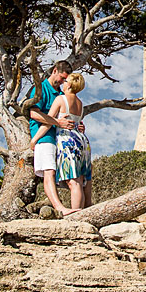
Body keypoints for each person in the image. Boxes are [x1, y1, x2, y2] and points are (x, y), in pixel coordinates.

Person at [28, 60, 83, 216]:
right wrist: (56, 122)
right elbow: (34, 114)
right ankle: (59, 208)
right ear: (54, 71)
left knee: (72, 177)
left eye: (65, 80)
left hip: (62, 137)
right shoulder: (41, 89)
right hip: (44, 135)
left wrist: (79, 125)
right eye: (62, 78)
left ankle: (76, 209)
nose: (62, 82)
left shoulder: (62, 94)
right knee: (49, 171)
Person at [48, 72, 92, 212]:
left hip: (67, 140)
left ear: (70, 84)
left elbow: (49, 120)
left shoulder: (61, 99)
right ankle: (83, 212)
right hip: (82, 140)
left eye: (65, 80)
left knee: (74, 182)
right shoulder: (80, 103)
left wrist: (35, 139)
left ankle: (76, 215)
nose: (63, 82)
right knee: (81, 180)